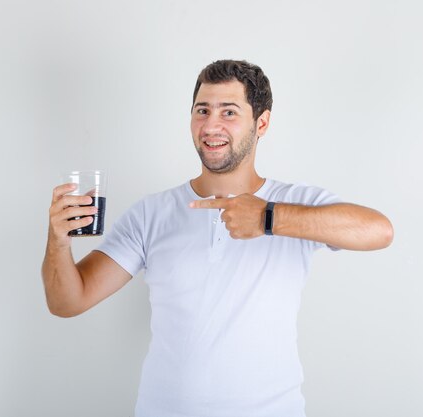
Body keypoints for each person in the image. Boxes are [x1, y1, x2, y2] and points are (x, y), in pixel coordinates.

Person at [42, 59, 394, 417]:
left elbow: (379, 231)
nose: (211, 125)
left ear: (262, 123)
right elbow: (68, 302)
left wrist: (270, 217)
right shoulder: (151, 213)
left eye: (229, 112)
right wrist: (58, 240)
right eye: (202, 110)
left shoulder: (298, 204)